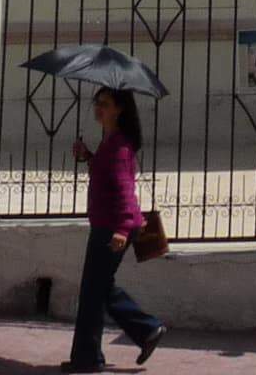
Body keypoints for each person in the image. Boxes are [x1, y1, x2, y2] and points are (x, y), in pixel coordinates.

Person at [66, 87, 163, 370]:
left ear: (119, 109)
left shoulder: (119, 145)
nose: (99, 108)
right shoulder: (111, 142)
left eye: (105, 104)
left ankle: (88, 360)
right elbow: (108, 175)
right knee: (98, 289)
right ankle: (146, 331)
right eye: (97, 102)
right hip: (107, 224)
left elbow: (123, 191)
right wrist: (88, 156)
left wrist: (121, 229)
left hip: (113, 228)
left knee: (92, 293)